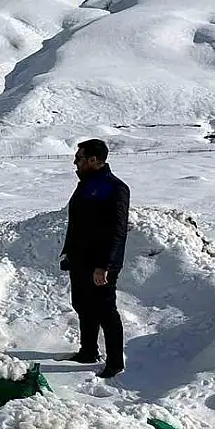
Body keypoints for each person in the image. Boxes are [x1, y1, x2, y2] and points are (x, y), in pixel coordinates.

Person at [59, 139, 130, 378]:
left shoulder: (115, 188)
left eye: (79, 158)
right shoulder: (85, 184)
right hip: (80, 260)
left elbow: (116, 230)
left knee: (105, 310)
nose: (75, 162)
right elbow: (78, 223)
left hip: (101, 264)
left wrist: (105, 265)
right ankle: (88, 351)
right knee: (83, 305)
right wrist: (69, 252)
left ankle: (115, 363)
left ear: (93, 160)